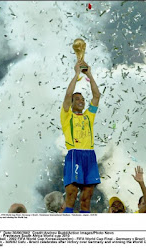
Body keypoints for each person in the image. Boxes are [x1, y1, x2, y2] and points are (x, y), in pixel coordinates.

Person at [60, 60, 101, 213]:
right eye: (77, 99)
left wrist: (89, 74)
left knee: (87, 197)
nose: (81, 101)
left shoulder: (88, 116)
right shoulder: (67, 115)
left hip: (90, 155)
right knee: (72, 194)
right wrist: (76, 74)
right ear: (70, 103)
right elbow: (68, 94)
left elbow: (96, 96)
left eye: (82, 99)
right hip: (75, 154)